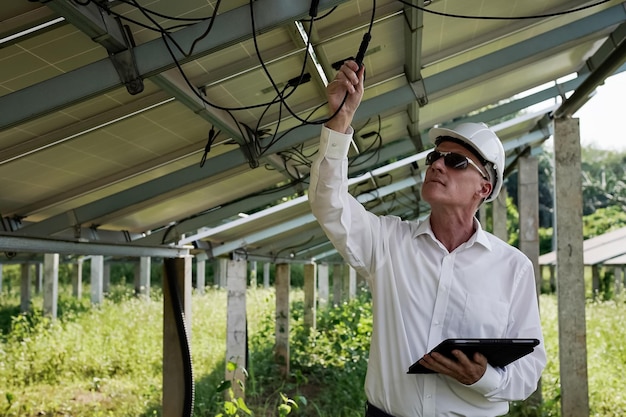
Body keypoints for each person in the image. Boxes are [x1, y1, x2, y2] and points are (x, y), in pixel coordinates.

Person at [308, 60, 546, 417]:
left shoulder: (513, 268)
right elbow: (329, 202)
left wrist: (484, 378)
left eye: (456, 161)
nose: (437, 164)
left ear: (484, 188)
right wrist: (341, 119)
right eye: (435, 157)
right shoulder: (388, 242)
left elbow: (529, 368)